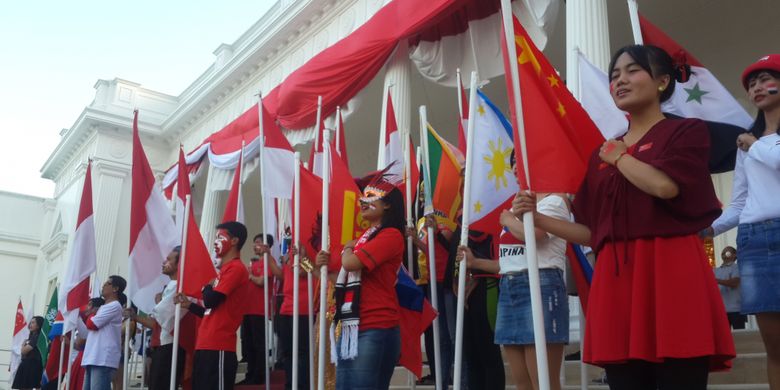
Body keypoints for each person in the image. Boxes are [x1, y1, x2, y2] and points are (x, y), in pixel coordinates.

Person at [516, 45, 734, 389]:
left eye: (633, 71)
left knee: (681, 373)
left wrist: (620, 158)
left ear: (662, 81)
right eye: (614, 75)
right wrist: (538, 219)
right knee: (626, 379)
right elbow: (593, 232)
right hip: (617, 277)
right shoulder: (602, 153)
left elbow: (665, 187)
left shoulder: (684, 131)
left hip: (671, 268)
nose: (620, 80)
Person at [459, 154, 568, 390]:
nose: (517, 167)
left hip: (541, 284)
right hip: (510, 287)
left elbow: (535, 236)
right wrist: (475, 262)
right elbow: (509, 262)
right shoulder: (514, 208)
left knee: (543, 381)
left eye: (522, 160)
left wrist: (509, 219)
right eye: (513, 163)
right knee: (522, 381)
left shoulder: (554, 200)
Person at [706, 54, 780, 388]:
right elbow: (739, 202)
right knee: (774, 345)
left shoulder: (751, 143)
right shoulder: (746, 144)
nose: (757, 88)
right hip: (755, 240)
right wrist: (709, 230)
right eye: (751, 84)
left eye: (765, 79)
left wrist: (755, 145)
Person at [315, 174, 404, 390]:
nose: (363, 202)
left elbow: (352, 263)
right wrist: (320, 269)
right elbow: (345, 281)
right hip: (352, 327)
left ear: (388, 205)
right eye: (362, 197)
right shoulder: (367, 237)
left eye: (371, 197)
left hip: (375, 324)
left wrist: (347, 247)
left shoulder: (391, 235)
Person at [177, 221, 250, 390]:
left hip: (219, 345)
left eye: (220, 237)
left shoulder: (236, 268)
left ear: (234, 241)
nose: (216, 241)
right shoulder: (223, 272)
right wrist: (190, 305)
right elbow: (210, 310)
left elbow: (211, 300)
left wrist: (206, 286)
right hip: (205, 343)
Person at [125, 247, 185, 389]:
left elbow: (162, 316)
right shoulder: (171, 286)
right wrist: (135, 316)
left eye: (169, 259)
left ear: (179, 264)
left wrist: (159, 301)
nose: (164, 262)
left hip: (171, 347)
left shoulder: (179, 287)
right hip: (160, 346)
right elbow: (155, 323)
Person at [260, 236, 312, 390]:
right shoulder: (290, 258)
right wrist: (268, 255)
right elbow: (281, 275)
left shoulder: (307, 257)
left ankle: (302, 385)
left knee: (301, 351)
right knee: (287, 351)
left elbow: (306, 271)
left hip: (303, 310)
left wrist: (301, 256)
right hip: (286, 309)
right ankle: (290, 384)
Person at [238, 234, 275, 385]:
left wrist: (250, 275)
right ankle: (250, 374)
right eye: (254, 243)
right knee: (248, 345)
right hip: (247, 309)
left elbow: (261, 281)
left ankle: (259, 376)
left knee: (258, 344)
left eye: (258, 243)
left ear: (267, 245)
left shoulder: (268, 262)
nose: (255, 246)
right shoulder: (254, 264)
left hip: (258, 310)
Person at [81, 275, 126, 390]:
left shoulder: (114, 306)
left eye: (107, 284)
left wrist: (91, 313)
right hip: (94, 356)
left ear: (115, 289)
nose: (103, 285)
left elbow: (92, 325)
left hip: (102, 359)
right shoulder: (104, 307)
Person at [713, 246, 745, 330]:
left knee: (740, 336)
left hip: (736, 309)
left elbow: (734, 283)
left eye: (727, 252)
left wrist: (716, 280)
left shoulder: (737, 267)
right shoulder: (715, 270)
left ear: (735, 255)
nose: (724, 254)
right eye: (723, 252)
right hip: (721, 310)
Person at [12, 315, 44, 390]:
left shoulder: (37, 337)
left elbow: (24, 351)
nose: (30, 325)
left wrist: (23, 345)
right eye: (30, 322)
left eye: (33, 323)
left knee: (26, 387)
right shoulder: (32, 336)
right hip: (28, 365)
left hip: (31, 366)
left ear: (38, 325)